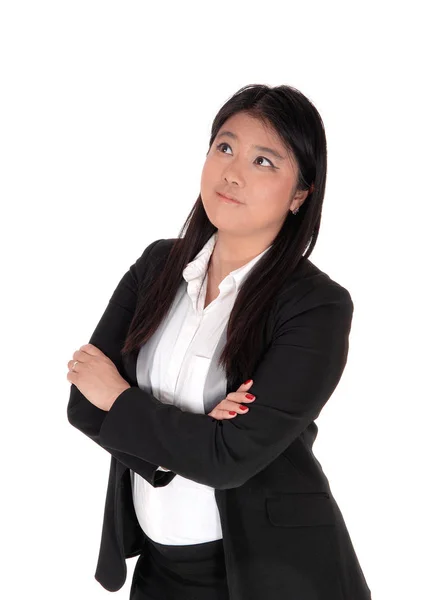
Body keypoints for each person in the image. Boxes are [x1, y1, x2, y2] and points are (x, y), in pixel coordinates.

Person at [67, 84, 372, 599]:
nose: (233, 173)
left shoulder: (317, 306)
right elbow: (82, 403)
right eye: (224, 148)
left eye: (264, 162)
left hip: (272, 574)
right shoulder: (156, 268)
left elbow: (227, 461)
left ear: (301, 194)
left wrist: (123, 401)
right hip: (159, 569)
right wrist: (199, 434)